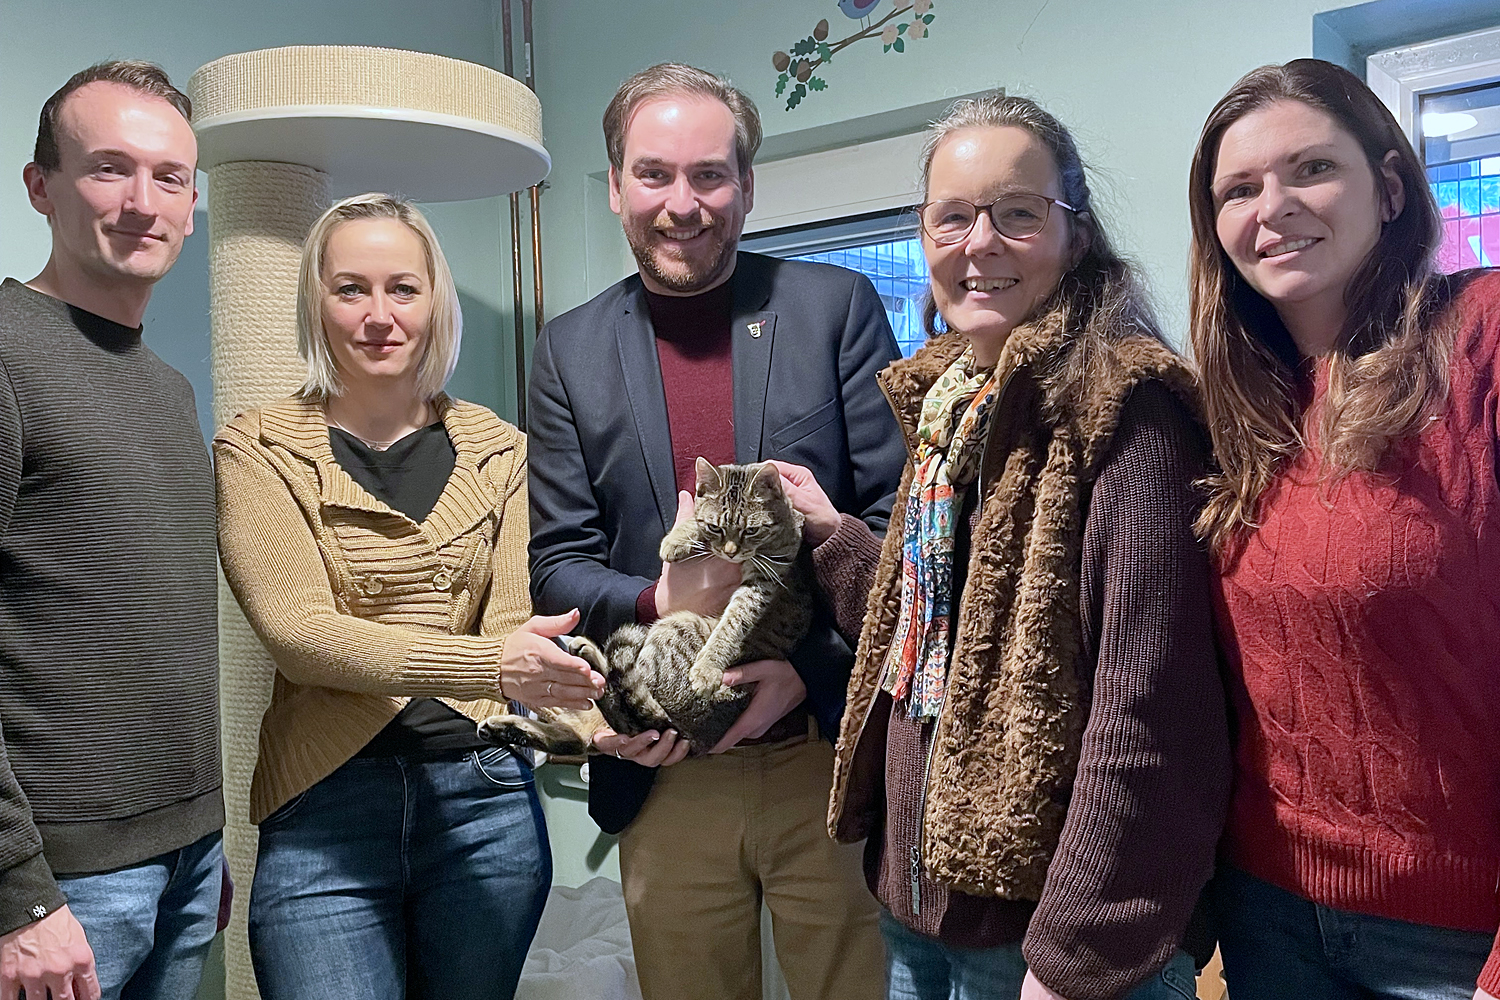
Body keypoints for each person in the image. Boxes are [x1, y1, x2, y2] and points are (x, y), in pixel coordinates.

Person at [779, 93, 1230, 1000]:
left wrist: (1072, 958)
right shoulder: (954, 406)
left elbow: (1149, 710)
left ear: (1074, 230)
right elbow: (957, 631)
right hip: (920, 924)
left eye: (1017, 213)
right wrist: (833, 537)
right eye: (953, 216)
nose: (978, 242)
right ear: (924, 233)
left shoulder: (1127, 414)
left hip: (1050, 951)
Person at [527, 62, 902, 1000]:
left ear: (747, 184)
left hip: (826, 754)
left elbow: (902, 536)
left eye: (709, 175)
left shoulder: (835, 310)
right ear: (615, 184)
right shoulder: (567, 350)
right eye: (653, 174)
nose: (682, 203)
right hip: (668, 772)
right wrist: (660, 601)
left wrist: (809, 673)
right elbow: (558, 564)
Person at [214, 193, 602, 1000]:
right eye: (350, 289)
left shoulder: (503, 452)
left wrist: (586, 713)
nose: (378, 315)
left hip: (484, 802)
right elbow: (298, 634)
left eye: (403, 288)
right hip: (323, 806)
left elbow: (511, 627)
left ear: (436, 302)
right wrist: (490, 664)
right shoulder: (257, 449)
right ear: (315, 304)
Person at [1187, 58, 1500, 1000]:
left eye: (1311, 169)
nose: (1272, 207)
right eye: (1238, 190)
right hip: (1269, 916)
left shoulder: (1482, 337)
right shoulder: (1230, 410)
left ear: (1392, 188)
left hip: (1457, 938)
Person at [0, 62, 223, 1000]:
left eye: (169, 177)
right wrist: (16, 893)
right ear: (40, 186)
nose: (142, 203)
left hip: (185, 858)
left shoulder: (168, 389)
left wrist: (202, 839)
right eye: (109, 169)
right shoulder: (7, 350)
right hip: (59, 881)